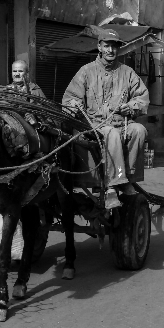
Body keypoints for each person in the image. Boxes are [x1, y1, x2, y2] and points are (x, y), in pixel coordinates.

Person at [62, 28, 149, 209]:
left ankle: (128, 179)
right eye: (106, 46)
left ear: (119, 49)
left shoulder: (127, 72)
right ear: (99, 47)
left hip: (122, 122)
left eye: (114, 46)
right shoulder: (86, 72)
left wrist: (131, 107)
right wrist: (74, 106)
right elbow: (69, 98)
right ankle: (113, 184)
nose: (110, 50)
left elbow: (142, 97)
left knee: (139, 130)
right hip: (95, 125)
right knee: (112, 134)